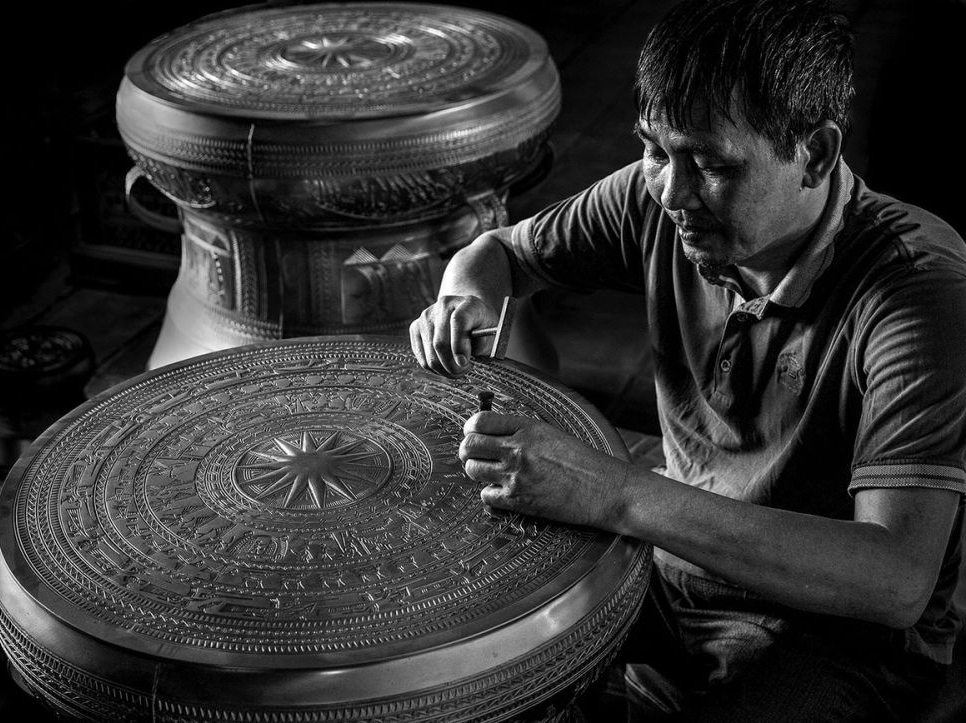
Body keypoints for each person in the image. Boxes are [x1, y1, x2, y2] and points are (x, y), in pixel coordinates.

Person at [408, 0, 966, 720]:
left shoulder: (917, 290)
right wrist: (463, 300)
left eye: (712, 165)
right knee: (465, 643)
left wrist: (615, 492)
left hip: (839, 634)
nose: (673, 193)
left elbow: (895, 578)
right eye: (653, 150)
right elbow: (498, 254)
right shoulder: (658, 198)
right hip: (676, 566)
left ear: (816, 155)